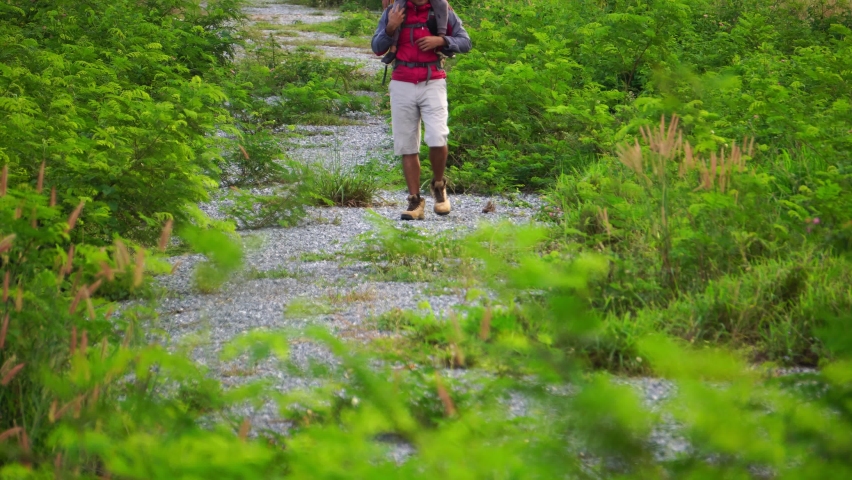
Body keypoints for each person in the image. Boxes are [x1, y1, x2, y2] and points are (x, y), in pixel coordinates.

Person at [371, 0, 472, 220]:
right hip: (401, 82)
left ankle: (438, 185)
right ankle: (415, 201)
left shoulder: (441, 10)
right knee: (407, 144)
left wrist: (441, 40)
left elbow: (466, 42)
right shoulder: (394, 10)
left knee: (437, 137)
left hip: (433, 80)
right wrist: (390, 28)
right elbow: (377, 47)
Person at [380, 0, 450, 65]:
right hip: (401, 72)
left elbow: (461, 41)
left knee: (443, 4)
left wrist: (441, 41)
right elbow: (377, 49)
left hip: (434, 72)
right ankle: (393, 47)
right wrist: (390, 27)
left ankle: (441, 40)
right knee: (397, 10)